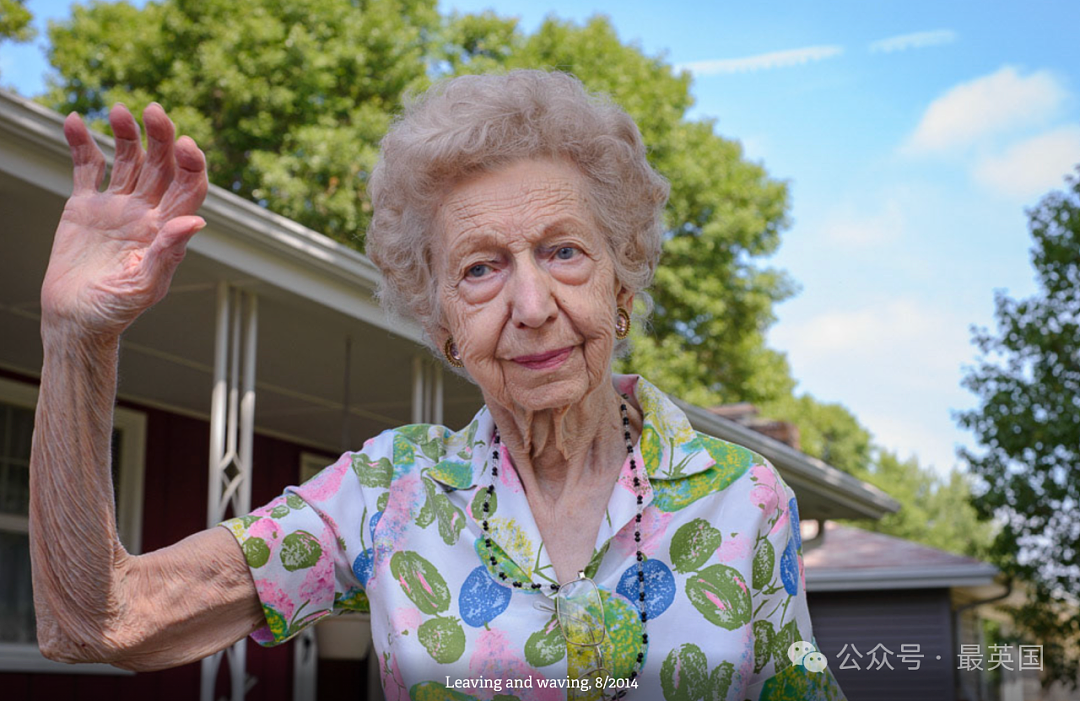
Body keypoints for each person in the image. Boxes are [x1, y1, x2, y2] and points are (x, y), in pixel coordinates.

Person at [30, 70, 846, 700]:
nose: (531, 306)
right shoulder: (387, 493)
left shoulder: (747, 499)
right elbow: (101, 618)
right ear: (442, 322)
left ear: (622, 283)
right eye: (481, 268)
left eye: (564, 251)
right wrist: (79, 341)